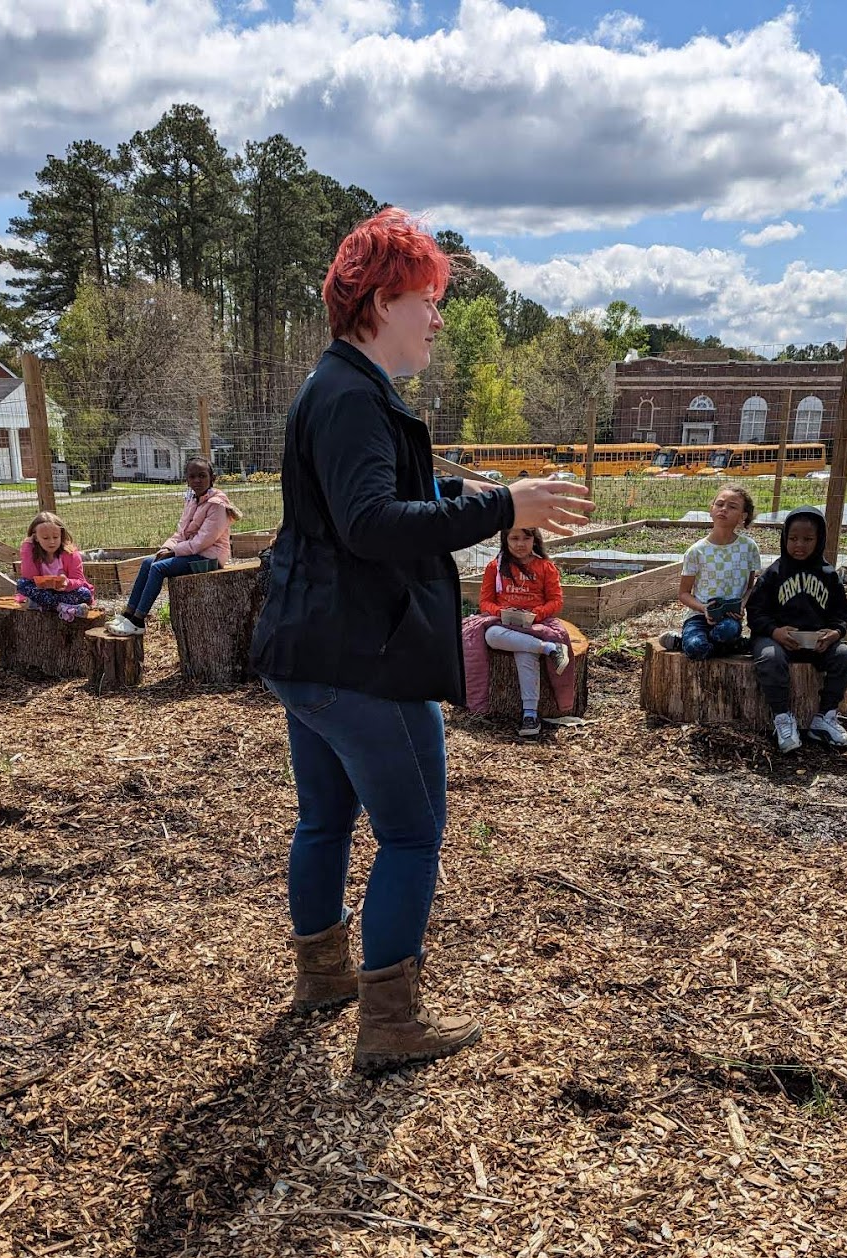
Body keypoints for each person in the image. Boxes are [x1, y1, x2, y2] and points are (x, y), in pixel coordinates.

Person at [250, 207, 591, 1074]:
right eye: (428, 299)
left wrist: (460, 483)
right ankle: (389, 1020)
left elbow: (361, 490)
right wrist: (500, 508)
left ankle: (321, 978)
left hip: (306, 653)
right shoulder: (355, 398)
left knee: (325, 818)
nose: (438, 318)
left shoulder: (340, 387)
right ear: (380, 300)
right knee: (411, 834)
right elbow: (371, 523)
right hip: (364, 658)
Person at [747, 508, 847, 754]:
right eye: (793, 538)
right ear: (784, 538)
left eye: (808, 539)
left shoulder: (828, 575)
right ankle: (782, 719)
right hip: (775, 639)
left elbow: (841, 615)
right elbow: (755, 613)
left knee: (845, 656)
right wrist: (774, 631)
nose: (799, 545)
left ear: (819, 541)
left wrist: (834, 634)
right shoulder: (774, 573)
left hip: (815, 644)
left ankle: (825, 718)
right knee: (770, 658)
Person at [106, 459, 240, 635]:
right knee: (148, 562)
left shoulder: (217, 505)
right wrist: (165, 548)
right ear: (187, 480)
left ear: (212, 478)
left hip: (210, 558)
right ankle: (128, 614)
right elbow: (181, 532)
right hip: (193, 552)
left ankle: (138, 621)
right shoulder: (193, 500)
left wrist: (173, 552)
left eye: (202, 476)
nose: (197, 480)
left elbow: (202, 541)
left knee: (158, 568)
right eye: (192, 476)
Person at [476, 525, 570, 737]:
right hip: (505, 623)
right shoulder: (495, 567)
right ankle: (550, 649)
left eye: (526, 538)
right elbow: (485, 601)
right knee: (491, 635)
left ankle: (530, 714)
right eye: (514, 538)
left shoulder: (545, 567)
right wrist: (500, 612)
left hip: (535, 624)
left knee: (525, 651)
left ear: (534, 540)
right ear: (505, 540)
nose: (520, 544)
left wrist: (536, 614)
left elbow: (556, 601)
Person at [661, 485, 760, 658]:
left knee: (727, 631)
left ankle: (682, 643)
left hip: (729, 620)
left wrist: (742, 604)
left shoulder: (749, 548)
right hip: (698, 617)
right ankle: (733, 646)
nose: (724, 509)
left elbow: (750, 587)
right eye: (719, 504)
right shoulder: (696, 551)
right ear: (711, 510)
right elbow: (684, 594)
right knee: (696, 647)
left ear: (743, 517)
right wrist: (703, 608)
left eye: (732, 507)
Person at [16, 512, 94, 620]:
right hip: (43, 592)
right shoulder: (32, 552)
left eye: (55, 537)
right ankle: (63, 607)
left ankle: (42, 604)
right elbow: (29, 577)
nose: (52, 542)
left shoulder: (71, 554)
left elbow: (79, 580)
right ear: (36, 537)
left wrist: (67, 583)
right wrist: (27, 547)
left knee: (85, 594)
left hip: (66, 592)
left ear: (61, 535)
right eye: (45, 538)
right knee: (22, 584)